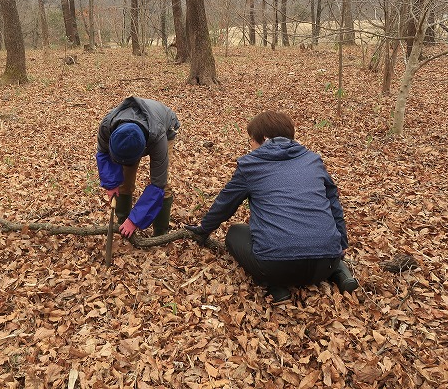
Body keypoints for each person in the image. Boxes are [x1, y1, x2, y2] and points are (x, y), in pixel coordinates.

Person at [186, 111, 357, 304]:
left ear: (265, 139)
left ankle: (275, 286)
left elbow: (225, 205)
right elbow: (333, 203)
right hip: (327, 262)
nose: (250, 145)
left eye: (251, 140)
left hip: (275, 267)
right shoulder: (313, 160)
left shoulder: (250, 165)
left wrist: (203, 230)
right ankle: (340, 272)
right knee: (313, 240)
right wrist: (342, 243)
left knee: (234, 232)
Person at [96, 97, 180, 237]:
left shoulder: (158, 137)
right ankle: (123, 224)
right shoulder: (107, 126)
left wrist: (135, 220)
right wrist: (111, 184)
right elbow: (103, 154)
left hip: (165, 126)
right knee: (124, 182)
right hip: (139, 129)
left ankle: (160, 233)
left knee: (164, 187)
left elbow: (158, 184)